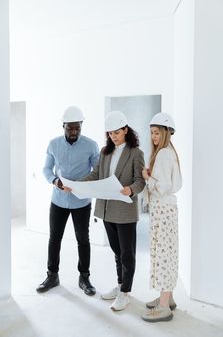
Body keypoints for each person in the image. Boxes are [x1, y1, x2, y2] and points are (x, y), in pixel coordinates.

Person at [65, 111, 145, 311]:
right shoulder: (105, 151)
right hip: (108, 209)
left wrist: (131, 189)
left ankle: (125, 292)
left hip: (125, 209)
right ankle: (120, 285)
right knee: (117, 251)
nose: (113, 136)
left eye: (117, 132)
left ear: (126, 130)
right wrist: (75, 185)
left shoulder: (136, 153)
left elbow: (140, 181)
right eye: (110, 133)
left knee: (127, 253)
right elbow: (96, 175)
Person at [36, 106, 99, 296]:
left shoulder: (91, 145)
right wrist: (55, 181)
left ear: (81, 125)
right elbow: (46, 169)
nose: (74, 132)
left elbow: (96, 172)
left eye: (77, 128)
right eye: (69, 128)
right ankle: (52, 275)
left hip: (82, 202)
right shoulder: (53, 144)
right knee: (54, 238)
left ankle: (84, 278)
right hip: (59, 201)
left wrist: (82, 184)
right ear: (62, 125)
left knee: (83, 240)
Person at [141, 112, 182, 322]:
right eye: (151, 133)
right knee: (167, 253)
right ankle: (168, 298)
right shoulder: (167, 152)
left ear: (166, 133)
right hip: (166, 211)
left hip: (163, 211)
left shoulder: (164, 154)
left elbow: (163, 187)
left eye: (157, 133)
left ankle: (164, 306)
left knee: (164, 255)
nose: (154, 137)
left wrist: (148, 178)